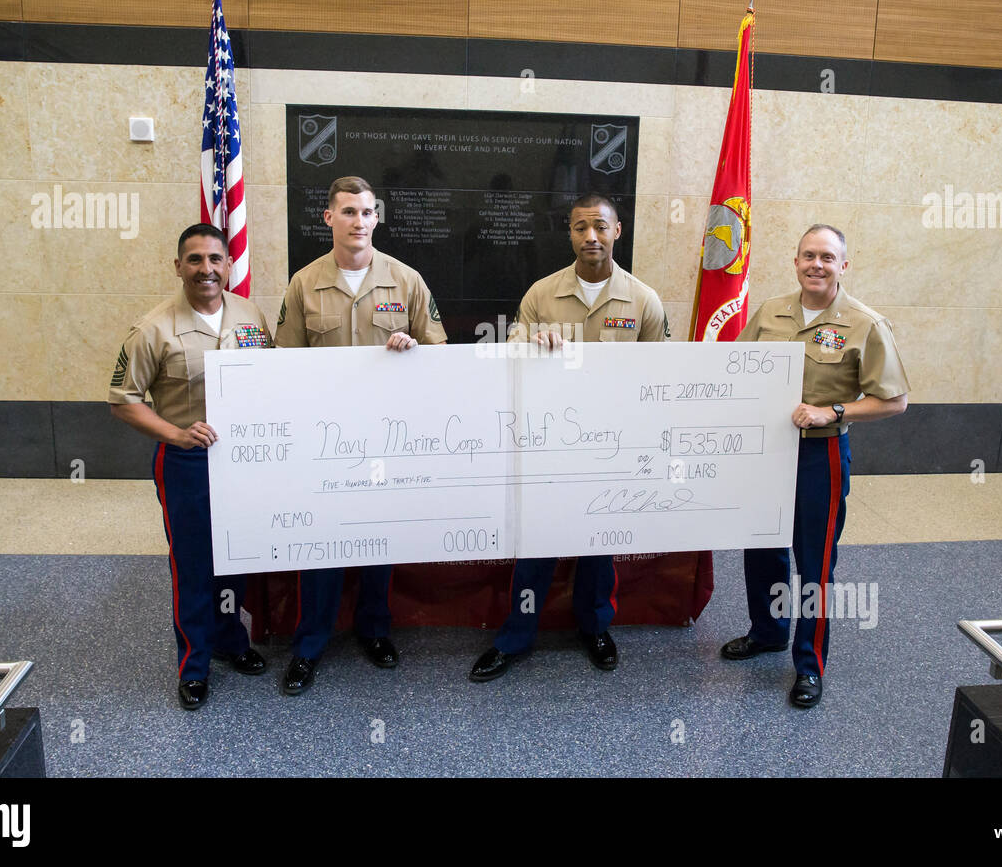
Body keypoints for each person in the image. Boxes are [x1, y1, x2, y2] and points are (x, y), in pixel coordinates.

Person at [469, 192, 669, 682]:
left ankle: (595, 628)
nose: (591, 237)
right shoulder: (542, 295)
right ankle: (516, 635)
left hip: (612, 444)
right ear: (570, 233)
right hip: (550, 441)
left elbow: (659, 375)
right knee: (538, 540)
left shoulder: (643, 300)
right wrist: (531, 345)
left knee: (598, 542)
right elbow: (510, 355)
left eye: (600, 226)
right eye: (580, 227)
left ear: (617, 231)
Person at [723, 224, 909, 708]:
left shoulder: (865, 323)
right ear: (796, 261)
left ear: (843, 265)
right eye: (809, 255)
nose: (816, 265)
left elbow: (894, 401)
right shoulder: (771, 312)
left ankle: (809, 665)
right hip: (765, 451)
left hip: (818, 453)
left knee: (815, 564)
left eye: (827, 257)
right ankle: (766, 633)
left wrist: (836, 411)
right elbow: (735, 371)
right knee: (762, 547)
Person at [275, 175, 447, 695]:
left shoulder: (407, 280)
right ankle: (310, 645)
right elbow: (283, 362)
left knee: (378, 537)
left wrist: (414, 345)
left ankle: (374, 631)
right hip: (325, 439)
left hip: (385, 438)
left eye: (367, 212)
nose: (358, 221)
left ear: (377, 218)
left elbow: (440, 350)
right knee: (322, 541)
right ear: (328, 218)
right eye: (348, 211)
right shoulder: (304, 284)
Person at [108, 223, 271, 711]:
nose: (206, 269)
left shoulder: (249, 314)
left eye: (215, 259)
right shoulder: (152, 329)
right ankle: (194, 665)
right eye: (195, 260)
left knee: (236, 556)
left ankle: (230, 639)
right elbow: (122, 400)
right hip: (187, 461)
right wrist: (177, 433)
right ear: (178, 266)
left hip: (243, 461)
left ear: (228, 265)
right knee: (194, 565)